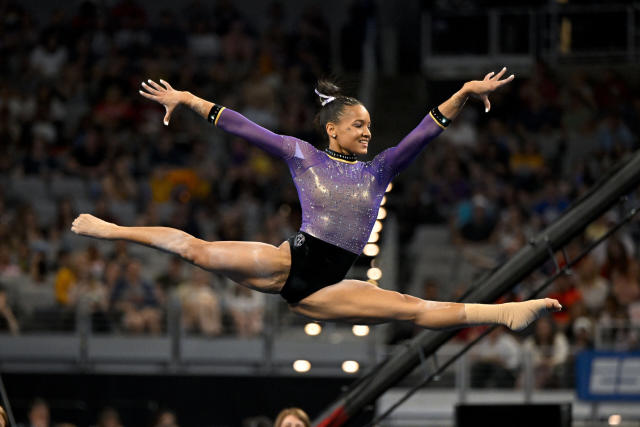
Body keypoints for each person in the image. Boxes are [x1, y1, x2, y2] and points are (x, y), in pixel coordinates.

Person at [71, 68, 561, 331]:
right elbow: (244, 127)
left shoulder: (380, 170)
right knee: (196, 250)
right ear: (333, 129)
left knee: (413, 309)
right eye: (358, 125)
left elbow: (424, 131)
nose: (368, 132)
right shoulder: (303, 155)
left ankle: (504, 313)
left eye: (370, 125)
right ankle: (112, 229)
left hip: (326, 290)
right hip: (290, 264)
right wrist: (189, 99)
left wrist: (464, 92)